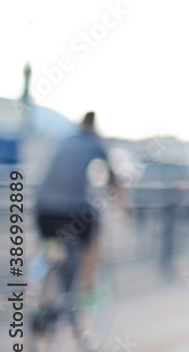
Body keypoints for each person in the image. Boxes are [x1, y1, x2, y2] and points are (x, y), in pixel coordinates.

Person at [35, 111, 125, 303]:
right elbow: (113, 180)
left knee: (52, 252)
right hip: (73, 210)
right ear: (94, 126)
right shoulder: (94, 143)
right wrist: (125, 205)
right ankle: (87, 294)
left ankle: (41, 302)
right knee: (91, 240)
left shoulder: (64, 141)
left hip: (44, 208)